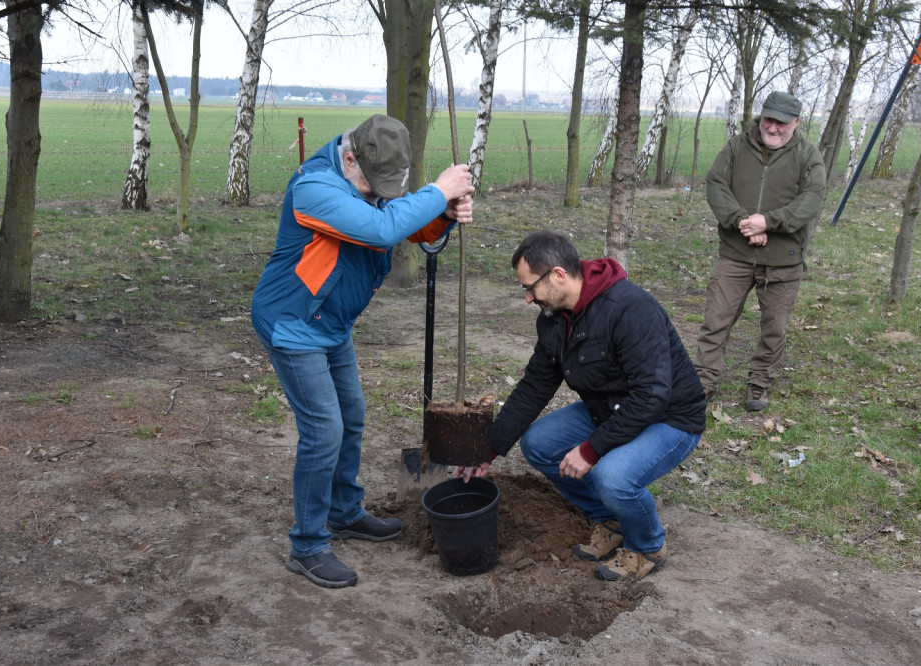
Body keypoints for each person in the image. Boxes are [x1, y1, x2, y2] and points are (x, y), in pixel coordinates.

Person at [251, 114, 474, 588]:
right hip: (293, 325)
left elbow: (402, 226)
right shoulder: (314, 188)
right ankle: (308, 545)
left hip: (331, 325)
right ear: (350, 158)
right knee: (324, 430)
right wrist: (437, 190)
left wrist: (442, 217)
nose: (381, 193)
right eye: (375, 185)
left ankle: (344, 512)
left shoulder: (363, 181)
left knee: (351, 415)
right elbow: (377, 230)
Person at [454, 231, 705, 582]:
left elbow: (651, 395)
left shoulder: (630, 309)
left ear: (558, 275)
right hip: (611, 410)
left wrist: (591, 449)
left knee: (611, 476)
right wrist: (490, 447)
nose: (528, 298)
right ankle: (611, 519)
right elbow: (534, 387)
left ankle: (647, 546)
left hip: (670, 418)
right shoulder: (554, 320)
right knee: (538, 444)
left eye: (531, 287)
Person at [696, 90, 826, 412]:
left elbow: (812, 199)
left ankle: (758, 383)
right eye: (769, 120)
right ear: (761, 117)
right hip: (735, 255)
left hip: (783, 261)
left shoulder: (809, 156)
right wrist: (744, 222)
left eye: (782, 123)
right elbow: (716, 184)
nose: (774, 128)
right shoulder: (736, 147)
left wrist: (769, 223)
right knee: (716, 321)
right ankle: (703, 383)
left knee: (774, 328)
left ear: (796, 122)